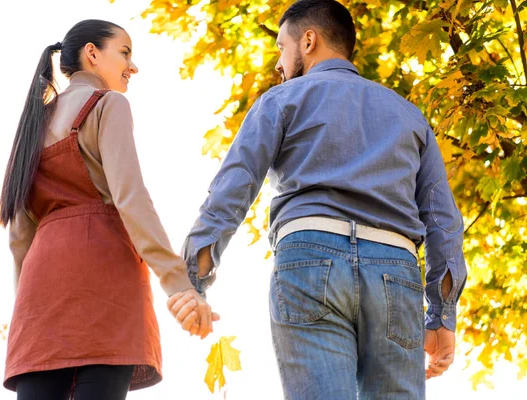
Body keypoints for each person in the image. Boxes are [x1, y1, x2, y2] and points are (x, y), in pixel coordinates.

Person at [170, 1, 468, 399]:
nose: (279, 63)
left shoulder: (280, 101)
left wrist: (192, 280)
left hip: (310, 256)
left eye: (281, 48)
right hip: (395, 270)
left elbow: (232, 189)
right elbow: (444, 219)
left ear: (308, 40)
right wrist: (442, 315)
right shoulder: (411, 117)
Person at [0, 19, 216, 400]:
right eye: (126, 53)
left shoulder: (33, 123)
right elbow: (131, 200)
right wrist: (178, 284)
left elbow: (19, 237)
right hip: (105, 282)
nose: (133, 67)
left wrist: (27, 316)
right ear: (92, 54)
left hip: (39, 297)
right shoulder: (108, 105)